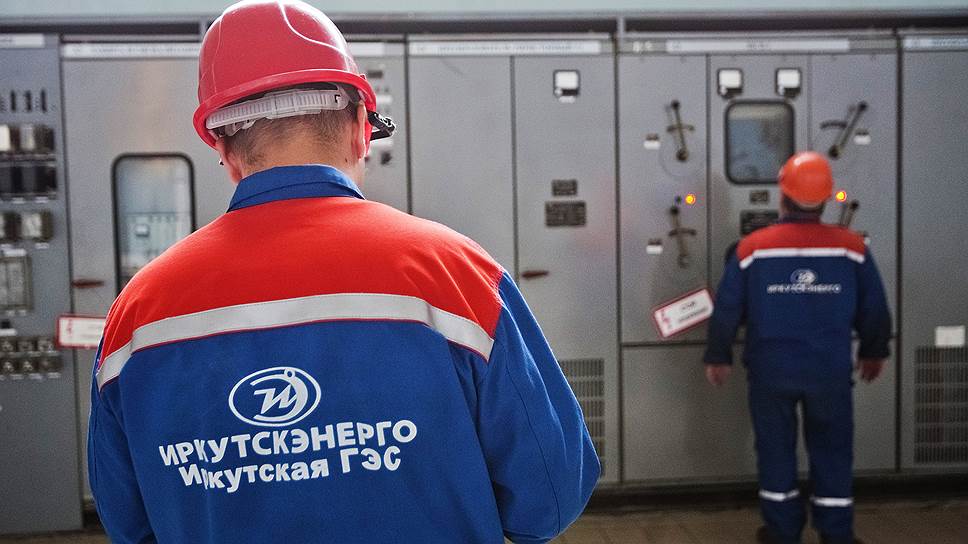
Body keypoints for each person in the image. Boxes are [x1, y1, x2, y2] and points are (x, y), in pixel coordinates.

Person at [87, 1, 599, 542]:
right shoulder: (456, 276)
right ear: (360, 129)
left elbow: (128, 524)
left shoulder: (138, 316)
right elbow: (548, 499)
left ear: (225, 150)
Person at [703, 151, 891, 544]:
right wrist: (874, 352)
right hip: (829, 373)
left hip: (772, 372)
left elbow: (727, 309)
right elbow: (874, 307)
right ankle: (836, 533)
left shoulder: (752, 249)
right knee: (833, 451)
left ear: (782, 196)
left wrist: (719, 355)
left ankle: (782, 531)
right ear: (826, 199)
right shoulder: (851, 248)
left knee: (775, 451)